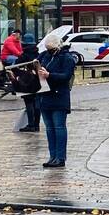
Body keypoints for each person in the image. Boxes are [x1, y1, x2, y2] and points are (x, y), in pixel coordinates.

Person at [36, 34, 76, 168]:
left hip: (59, 96)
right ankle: (52, 156)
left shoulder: (67, 58)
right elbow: (35, 66)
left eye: (51, 49)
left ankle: (60, 157)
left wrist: (49, 75)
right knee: (49, 128)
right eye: (48, 49)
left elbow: (66, 76)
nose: (49, 51)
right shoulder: (44, 56)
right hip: (45, 95)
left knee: (59, 127)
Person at [17, 33, 41, 132]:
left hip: (27, 82)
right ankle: (36, 125)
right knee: (37, 103)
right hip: (37, 80)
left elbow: (16, 66)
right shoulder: (38, 54)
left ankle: (31, 125)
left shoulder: (24, 56)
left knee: (29, 103)